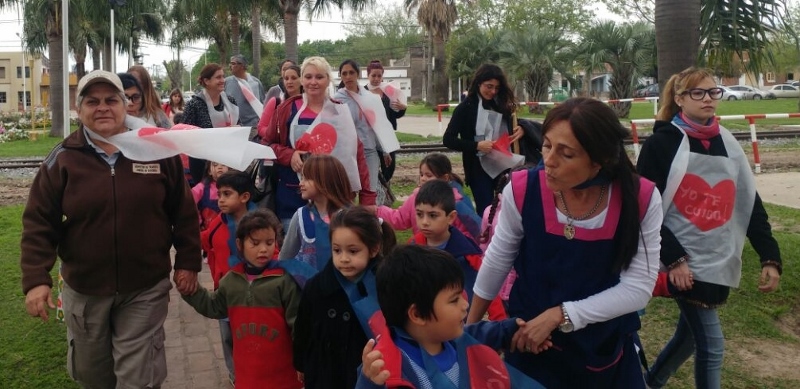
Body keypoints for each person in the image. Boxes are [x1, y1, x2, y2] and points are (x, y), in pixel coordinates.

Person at [20, 70, 201, 388]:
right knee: (94, 376)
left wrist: (188, 261)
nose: (102, 107)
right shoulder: (62, 160)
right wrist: (36, 280)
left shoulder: (157, 151)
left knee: (139, 378)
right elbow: (39, 221)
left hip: (144, 288)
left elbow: (183, 210)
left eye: (111, 100)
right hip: (85, 290)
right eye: (92, 101)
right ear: (79, 109)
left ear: (125, 105)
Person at [465, 97, 663, 388]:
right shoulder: (522, 190)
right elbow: (498, 259)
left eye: (566, 154)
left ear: (600, 160)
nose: (549, 161)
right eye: (546, 146)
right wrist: (469, 333)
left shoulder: (640, 198)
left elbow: (638, 289)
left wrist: (561, 315)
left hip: (600, 345)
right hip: (530, 339)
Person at [637, 67, 782, 389]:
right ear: (679, 98)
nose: (708, 99)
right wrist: (675, 259)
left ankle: (650, 382)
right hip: (682, 261)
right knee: (712, 345)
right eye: (698, 93)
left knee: (690, 338)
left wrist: (770, 256)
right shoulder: (661, 144)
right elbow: (644, 207)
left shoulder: (728, 143)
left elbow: (748, 202)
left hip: (717, 256)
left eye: (713, 92)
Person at [357, 245, 544, 388]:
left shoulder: (452, 339)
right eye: (454, 300)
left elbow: (477, 333)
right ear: (417, 314)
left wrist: (511, 329)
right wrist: (370, 383)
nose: (465, 305)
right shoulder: (384, 367)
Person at [182, 208, 303, 389]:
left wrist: (304, 361)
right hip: (247, 376)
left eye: (269, 242)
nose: (263, 249)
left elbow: (299, 326)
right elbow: (214, 306)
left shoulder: (284, 280)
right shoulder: (231, 281)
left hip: (283, 377)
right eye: (255, 243)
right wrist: (190, 290)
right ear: (240, 244)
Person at [260, 56, 376, 232]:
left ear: (328, 80)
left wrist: (367, 198)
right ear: (302, 80)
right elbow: (266, 145)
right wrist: (289, 155)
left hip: (334, 198)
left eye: (319, 77)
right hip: (293, 197)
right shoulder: (286, 109)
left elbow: (357, 154)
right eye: (308, 77)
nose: (313, 82)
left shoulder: (339, 111)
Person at [293, 206, 397, 389]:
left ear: (373, 249)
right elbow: (303, 328)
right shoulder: (317, 287)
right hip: (324, 374)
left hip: (367, 376)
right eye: (337, 250)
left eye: (353, 251)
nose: (344, 258)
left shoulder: (385, 287)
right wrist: (301, 363)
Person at [409, 179, 506, 320]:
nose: (424, 222)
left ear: (451, 217)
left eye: (433, 215)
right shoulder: (412, 248)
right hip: (423, 323)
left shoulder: (469, 255)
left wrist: (499, 322)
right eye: (419, 214)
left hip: (458, 324)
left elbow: (488, 287)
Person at [443, 63, 525, 215]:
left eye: (497, 88)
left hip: (503, 166)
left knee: (507, 210)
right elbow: (448, 139)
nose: (493, 91)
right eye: (489, 86)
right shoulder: (465, 108)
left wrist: (521, 128)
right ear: (478, 83)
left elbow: (513, 125)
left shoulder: (501, 105)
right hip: (477, 170)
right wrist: (476, 145)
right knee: (485, 211)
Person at [199, 171, 256, 385]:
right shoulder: (218, 222)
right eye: (219, 194)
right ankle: (235, 375)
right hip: (224, 292)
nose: (220, 199)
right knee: (227, 337)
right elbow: (205, 240)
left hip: (253, 294)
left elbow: (273, 253)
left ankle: (251, 372)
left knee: (249, 336)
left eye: (227, 194)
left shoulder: (258, 223)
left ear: (244, 197)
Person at [336, 59, 400, 205]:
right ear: (340, 76)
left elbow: (377, 126)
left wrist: (385, 150)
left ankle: (368, 218)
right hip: (348, 153)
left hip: (369, 151)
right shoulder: (336, 100)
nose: (348, 76)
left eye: (351, 72)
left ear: (358, 74)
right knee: (347, 194)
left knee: (370, 192)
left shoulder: (370, 98)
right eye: (344, 73)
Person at [377, 152, 482, 241]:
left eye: (429, 175)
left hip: (446, 253)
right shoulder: (416, 198)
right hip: (424, 250)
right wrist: (377, 211)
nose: (423, 178)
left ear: (445, 178)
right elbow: (400, 218)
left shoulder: (456, 203)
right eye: (421, 174)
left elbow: (469, 232)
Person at [279, 155, 354, 271]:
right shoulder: (300, 216)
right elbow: (285, 258)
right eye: (302, 177)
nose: (301, 183)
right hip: (310, 282)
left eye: (306, 178)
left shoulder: (351, 216)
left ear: (325, 180)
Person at [182, 63, 240, 184]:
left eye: (223, 76)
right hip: (202, 164)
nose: (223, 80)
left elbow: (239, 124)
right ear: (206, 81)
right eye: (218, 77)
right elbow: (186, 134)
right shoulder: (194, 104)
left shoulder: (230, 100)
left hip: (228, 160)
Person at [365, 59, 406, 182]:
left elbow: (395, 114)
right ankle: (375, 188)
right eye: (373, 75)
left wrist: (402, 109)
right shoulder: (362, 92)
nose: (376, 79)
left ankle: (384, 187)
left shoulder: (388, 91)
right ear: (368, 75)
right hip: (369, 135)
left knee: (389, 167)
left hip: (387, 134)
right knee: (370, 166)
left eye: (379, 76)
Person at [255, 64, 302, 142]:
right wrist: (275, 134)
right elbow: (261, 127)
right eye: (286, 78)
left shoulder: (309, 104)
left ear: (302, 80)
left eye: (294, 78)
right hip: (278, 147)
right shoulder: (276, 102)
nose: (289, 82)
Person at [225, 54, 265, 130]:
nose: (230, 66)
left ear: (242, 66)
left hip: (253, 126)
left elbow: (262, 104)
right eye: (230, 63)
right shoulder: (226, 82)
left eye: (233, 63)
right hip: (234, 127)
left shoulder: (256, 83)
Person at [192, 161, 230, 231]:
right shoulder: (201, 187)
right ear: (209, 171)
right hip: (204, 230)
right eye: (215, 164)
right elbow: (189, 203)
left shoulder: (233, 188)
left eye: (224, 164)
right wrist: (198, 222)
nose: (220, 167)